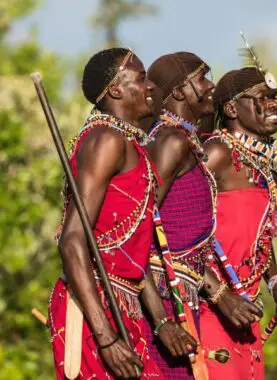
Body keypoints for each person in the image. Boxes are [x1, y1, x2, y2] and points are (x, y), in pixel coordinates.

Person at [48, 48, 196, 380]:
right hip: (94, 309)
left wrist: (160, 321)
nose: (151, 88)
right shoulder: (105, 141)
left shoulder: (134, 148)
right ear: (115, 89)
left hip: (123, 305)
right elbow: (72, 241)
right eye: (141, 78)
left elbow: (132, 251)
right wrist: (106, 338)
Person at [144, 52, 263, 378]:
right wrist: (162, 321)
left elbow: (192, 234)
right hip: (166, 296)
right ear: (180, 92)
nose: (211, 86)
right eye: (202, 77)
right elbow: (142, 227)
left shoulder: (185, 139)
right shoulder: (170, 141)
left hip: (183, 293)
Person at [199, 66, 277, 379]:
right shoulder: (216, 153)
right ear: (231, 108)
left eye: (274, 98)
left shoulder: (268, 165)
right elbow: (176, 232)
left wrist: (275, 284)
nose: (271, 105)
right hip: (211, 306)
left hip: (247, 309)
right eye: (261, 97)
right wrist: (220, 295)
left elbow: (261, 236)